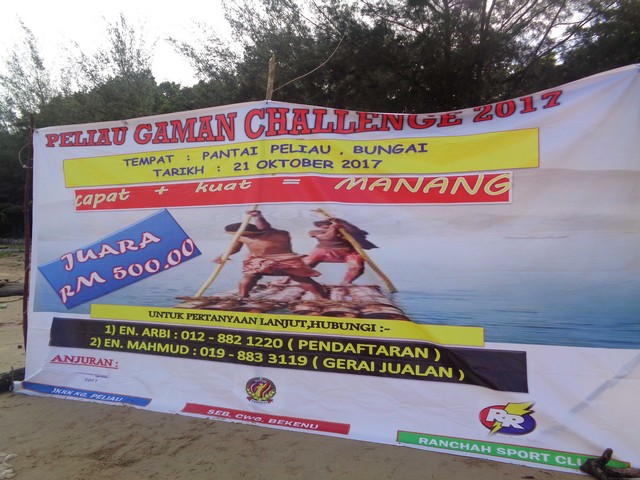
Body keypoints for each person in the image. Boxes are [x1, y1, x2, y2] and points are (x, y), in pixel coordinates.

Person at [218, 210, 327, 299]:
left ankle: (321, 297)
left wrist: (258, 216)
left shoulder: (280, 233)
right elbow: (234, 248)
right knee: (249, 276)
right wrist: (222, 256)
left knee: (302, 278)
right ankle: (243, 296)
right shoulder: (242, 237)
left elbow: (265, 227)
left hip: (286, 261)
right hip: (259, 262)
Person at [304, 217, 377, 284]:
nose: (325, 226)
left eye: (328, 224)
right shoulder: (315, 232)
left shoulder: (347, 232)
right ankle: (303, 281)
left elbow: (358, 233)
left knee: (357, 268)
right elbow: (328, 237)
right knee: (305, 264)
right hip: (323, 251)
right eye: (323, 224)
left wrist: (342, 224)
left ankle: (346, 283)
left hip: (348, 252)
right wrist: (333, 228)